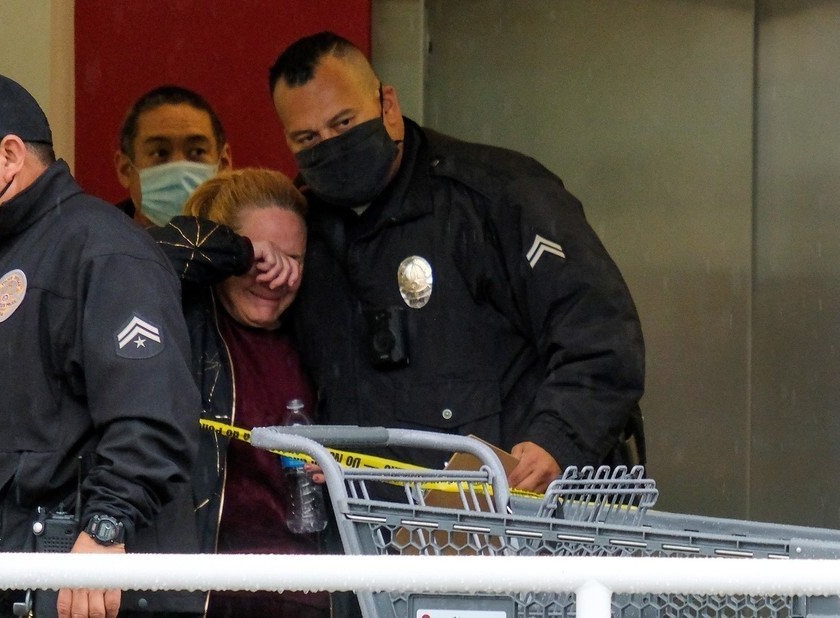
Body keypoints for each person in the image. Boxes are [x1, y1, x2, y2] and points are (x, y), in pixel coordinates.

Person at [268, 32, 646, 493]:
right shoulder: (299, 230)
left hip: (521, 527)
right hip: (370, 537)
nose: (329, 145)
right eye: (308, 137)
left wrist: (556, 442)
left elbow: (601, 337)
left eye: (344, 123)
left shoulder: (498, 196)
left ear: (387, 104)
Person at [0, 69, 198, 617]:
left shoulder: (104, 250)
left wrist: (106, 527)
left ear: (11, 156)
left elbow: (152, 411)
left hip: (70, 590)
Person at [150, 169, 328, 617]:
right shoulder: (183, 319)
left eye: (293, 260)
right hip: (207, 596)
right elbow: (142, 257)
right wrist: (241, 253)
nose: (274, 277)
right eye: (260, 259)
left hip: (310, 596)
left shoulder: (318, 335)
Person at [114, 85, 232, 227]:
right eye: (160, 153)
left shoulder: (248, 244)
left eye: (197, 152)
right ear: (125, 170)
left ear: (224, 165)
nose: (180, 170)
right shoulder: (96, 244)